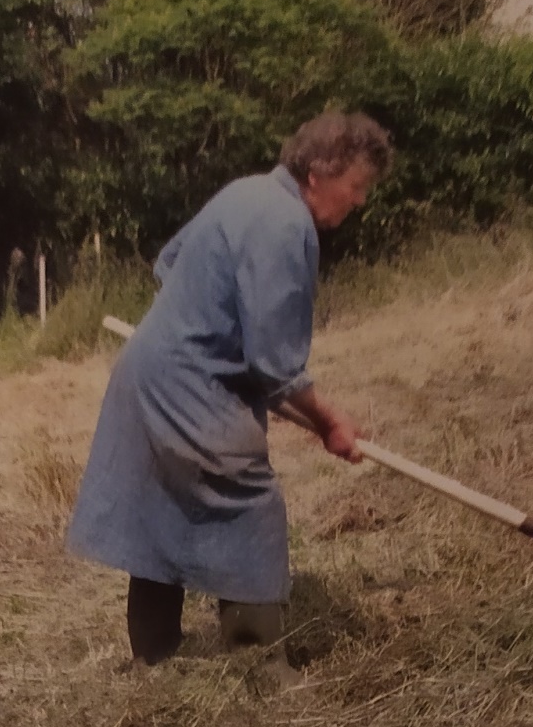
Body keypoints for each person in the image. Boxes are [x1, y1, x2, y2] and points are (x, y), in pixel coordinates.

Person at [66, 111, 393, 667]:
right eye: (356, 187)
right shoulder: (285, 222)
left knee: (159, 507)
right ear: (319, 172)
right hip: (189, 383)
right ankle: (259, 665)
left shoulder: (246, 192)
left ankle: (156, 656)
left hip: (147, 368)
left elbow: (169, 263)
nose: (359, 201)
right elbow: (276, 364)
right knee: (249, 506)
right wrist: (330, 420)